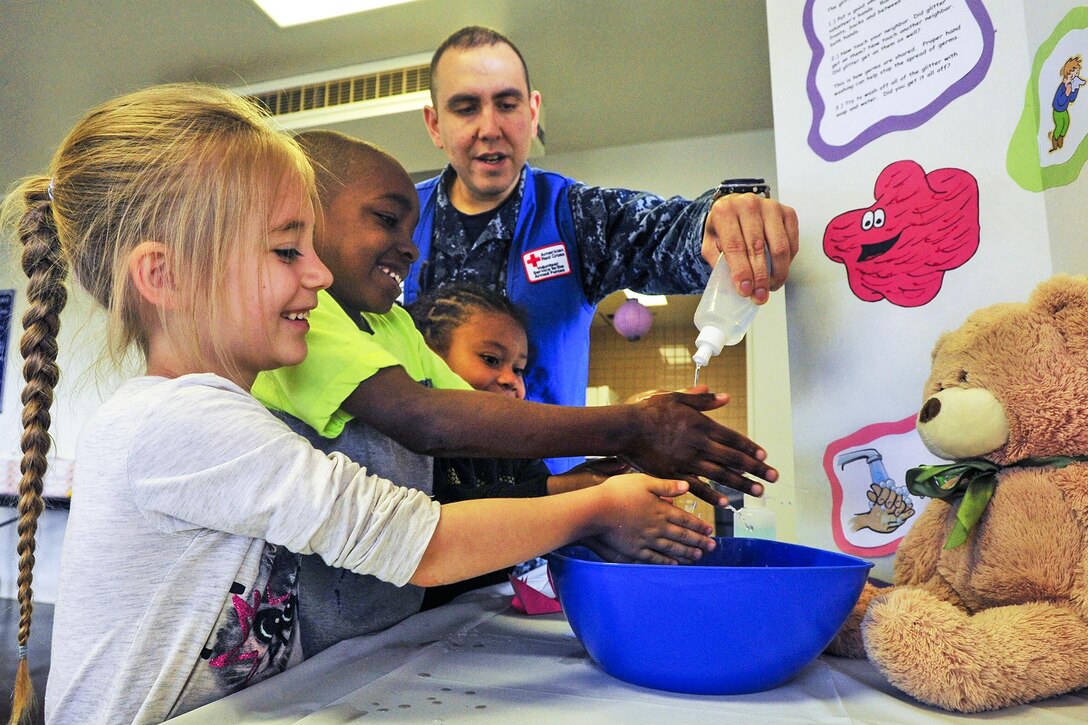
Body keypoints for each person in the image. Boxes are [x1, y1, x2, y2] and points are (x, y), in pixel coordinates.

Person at [4, 83, 720, 724]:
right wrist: (595, 505)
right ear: (165, 275)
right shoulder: (175, 421)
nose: (318, 273)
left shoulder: (231, 414)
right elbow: (420, 542)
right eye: (287, 252)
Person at [251, 130, 773, 653]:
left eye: (411, 229)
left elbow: (485, 441)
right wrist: (633, 429)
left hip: (384, 628)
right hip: (305, 638)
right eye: (386, 220)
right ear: (305, 217)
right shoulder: (301, 319)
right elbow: (428, 421)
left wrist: (608, 471)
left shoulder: (391, 325)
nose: (410, 247)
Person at [407, 25, 800, 472]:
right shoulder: (395, 217)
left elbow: (661, 230)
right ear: (435, 124)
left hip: (550, 515)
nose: (489, 128)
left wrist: (717, 221)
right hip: (413, 505)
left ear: (533, 113)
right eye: (465, 108)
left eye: (507, 104)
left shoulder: (573, 215)